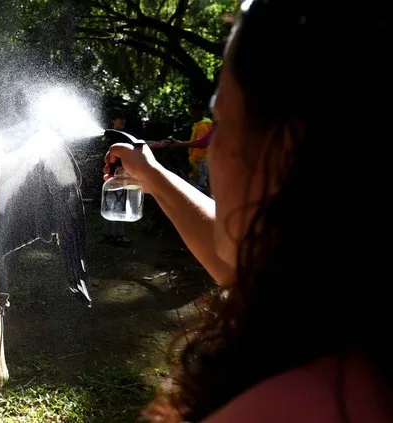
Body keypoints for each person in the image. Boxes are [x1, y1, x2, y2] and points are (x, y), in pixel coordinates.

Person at [103, 0, 391, 422]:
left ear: (280, 155)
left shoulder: (293, 404)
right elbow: (242, 261)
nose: (212, 145)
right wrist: (151, 175)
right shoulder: (338, 311)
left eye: (221, 121)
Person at [102, 109, 131, 246]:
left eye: (123, 118)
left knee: (111, 204)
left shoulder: (111, 135)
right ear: (113, 120)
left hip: (111, 175)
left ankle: (108, 234)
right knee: (119, 204)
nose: (123, 121)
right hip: (118, 174)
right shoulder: (116, 136)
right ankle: (118, 236)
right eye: (119, 118)